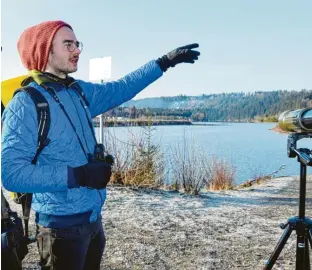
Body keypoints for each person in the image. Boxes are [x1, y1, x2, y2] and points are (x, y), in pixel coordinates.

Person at [1, 20, 200, 270]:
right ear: (45, 51)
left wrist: (163, 62)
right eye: (68, 44)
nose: (77, 50)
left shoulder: (78, 92)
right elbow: (12, 174)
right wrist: (80, 174)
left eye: (77, 43)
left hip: (93, 220)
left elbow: (123, 88)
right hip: (60, 229)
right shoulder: (26, 104)